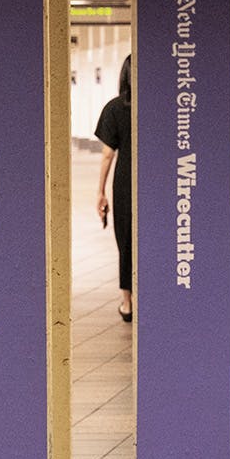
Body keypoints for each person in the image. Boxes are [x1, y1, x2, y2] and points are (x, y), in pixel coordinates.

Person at [95, 56, 133, 322]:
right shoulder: (159, 107)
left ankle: (127, 303)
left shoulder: (115, 108)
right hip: (153, 179)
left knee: (126, 238)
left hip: (125, 181)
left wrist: (101, 191)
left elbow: (108, 155)